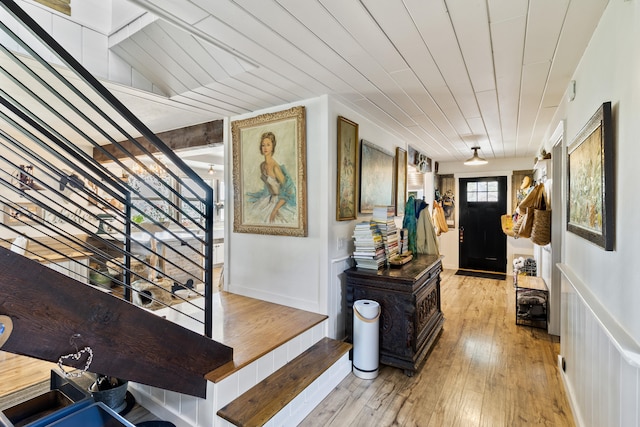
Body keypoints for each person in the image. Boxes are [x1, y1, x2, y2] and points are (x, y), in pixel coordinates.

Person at [245, 132, 296, 224]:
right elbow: (268, 188)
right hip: (268, 199)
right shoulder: (262, 166)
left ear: (273, 147)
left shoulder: (275, 167)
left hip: (279, 202)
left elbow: (289, 191)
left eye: (268, 145)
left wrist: (275, 210)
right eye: (263, 145)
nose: (265, 148)